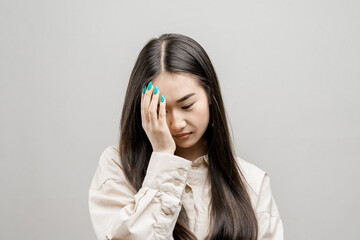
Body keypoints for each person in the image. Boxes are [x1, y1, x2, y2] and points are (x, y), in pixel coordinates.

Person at [88, 33, 284, 240]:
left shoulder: (251, 182)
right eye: (160, 109)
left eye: (187, 105)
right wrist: (163, 157)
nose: (176, 123)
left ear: (209, 94)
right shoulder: (118, 168)